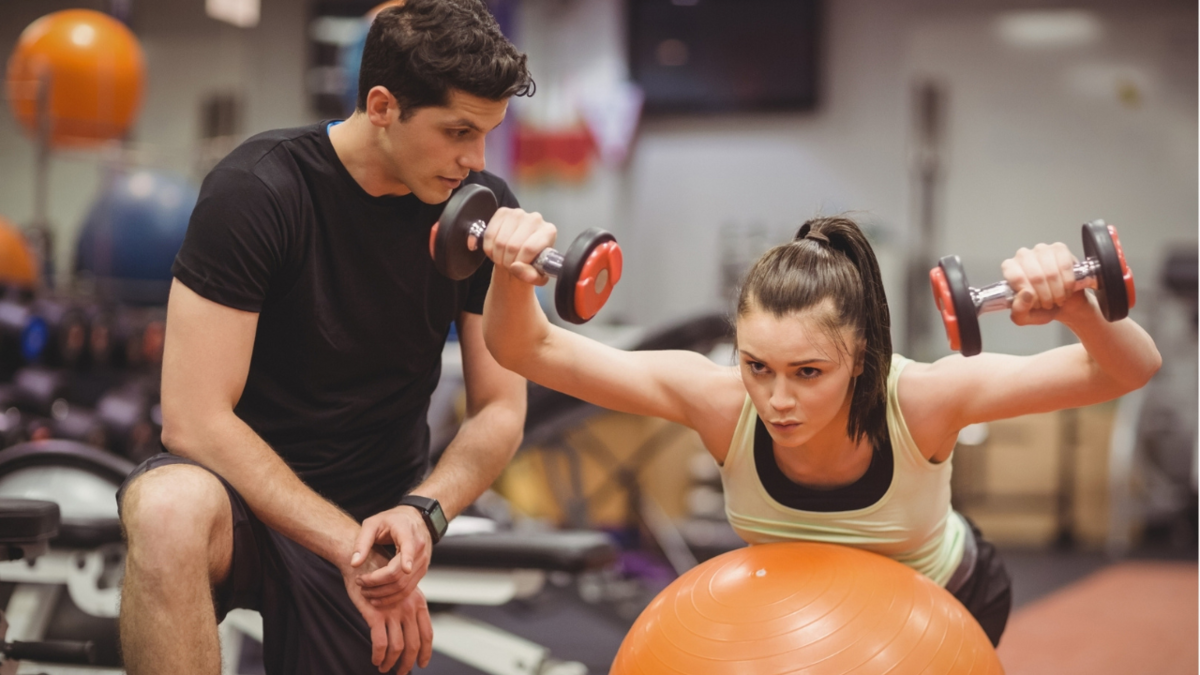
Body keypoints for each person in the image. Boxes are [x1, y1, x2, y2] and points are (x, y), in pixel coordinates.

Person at [479, 214, 1162, 646]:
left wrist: (1079, 309)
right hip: (793, 622)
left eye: (808, 372)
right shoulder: (719, 400)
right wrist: (511, 272)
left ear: (861, 357)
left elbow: (1127, 370)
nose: (777, 400)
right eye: (758, 366)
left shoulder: (922, 398)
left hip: (942, 609)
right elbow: (529, 351)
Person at [116, 2, 535, 673]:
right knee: (167, 508)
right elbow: (193, 421)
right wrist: (348, 544)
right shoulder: (260, 189)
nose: (474, 160)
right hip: (245, 502)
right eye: (458, 131)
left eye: (486, 134)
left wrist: (422, 513)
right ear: (381, 106)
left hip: (379, 515)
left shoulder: (481, 211)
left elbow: (501, 407)